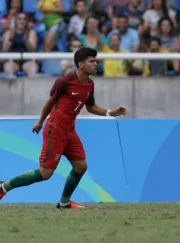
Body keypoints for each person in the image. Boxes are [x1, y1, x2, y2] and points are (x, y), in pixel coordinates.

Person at [0, 48, 128, 209]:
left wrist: (111, 112)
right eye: (92, 61)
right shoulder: (64, 82)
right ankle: (3, 187)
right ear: (81, 64)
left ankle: (64, 202)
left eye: (96, 61)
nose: (96, 64)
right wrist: (40, 122)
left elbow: (91, 107)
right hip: (55, 130)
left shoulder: (89, 85)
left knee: (81, 166)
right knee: (45, 173)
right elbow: (50, 102)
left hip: (70, 132)